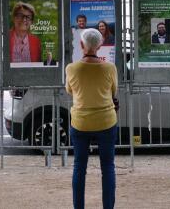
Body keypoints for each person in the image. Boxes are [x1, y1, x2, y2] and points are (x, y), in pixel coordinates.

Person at [65, 28, 118, 209]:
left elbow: (70, 90)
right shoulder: (110, 68)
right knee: (108, 167)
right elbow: (113, 91)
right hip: (106, 121)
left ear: (81, 45)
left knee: (79, 167)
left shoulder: (71, 69)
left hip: (80, 122)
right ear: (100, 45)